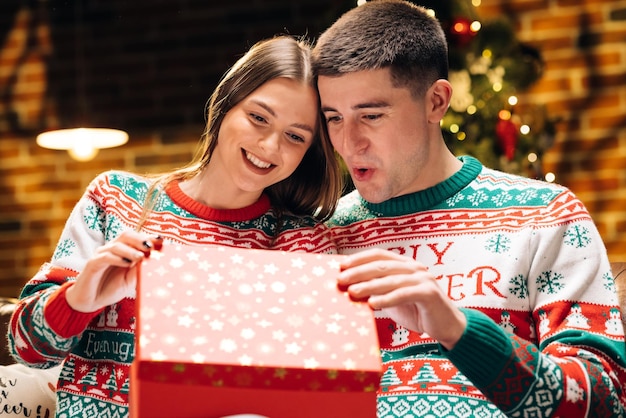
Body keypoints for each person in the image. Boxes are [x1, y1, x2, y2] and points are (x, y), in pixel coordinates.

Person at [312, 1, 626, 416]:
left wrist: (458, 330)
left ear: (436, 102)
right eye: (334, 118)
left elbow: (603, 401)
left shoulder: (545, 215)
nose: (349, 143)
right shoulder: (323, 235)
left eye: (371, 115)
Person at [8, 35, 343, 417]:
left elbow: (310, 390)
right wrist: (78, 298)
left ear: (309, 150)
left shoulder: (301, 245)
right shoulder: (116, 199)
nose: (269, 145)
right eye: (258, 117)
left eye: (295, 136)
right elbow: (26, 350)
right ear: (226, 105)